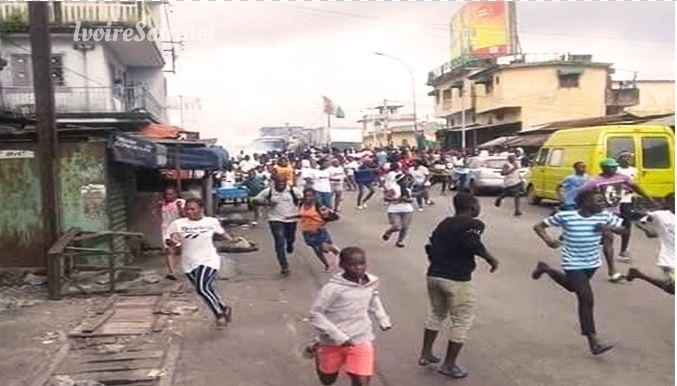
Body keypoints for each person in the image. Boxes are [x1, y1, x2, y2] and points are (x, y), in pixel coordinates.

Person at [532, 190, 624, 355]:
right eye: (599, 201)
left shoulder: (604, 216)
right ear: (585, 203)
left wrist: (607, 228)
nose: (603, 204)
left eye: (603, 201)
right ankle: (593, 341)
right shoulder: (567, 216)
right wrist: (547, 239)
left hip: (592, 263)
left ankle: (545, 269)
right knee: (586, 299)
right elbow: (538, 226)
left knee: (572, 287)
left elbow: (624, 230)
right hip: (572, 262)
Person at [418, 192, 498, 379]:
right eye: (478, 204)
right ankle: (449, 365)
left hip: (435, 275)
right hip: (457, 279)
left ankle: (425, 354)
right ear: (472, 207)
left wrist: (438, 262)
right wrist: (490, 258)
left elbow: (429, 245)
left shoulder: (444, 223)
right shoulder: (474, 224)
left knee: (437, 313)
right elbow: (472, 243)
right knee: (462, 320)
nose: (479, 207)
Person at [309, 247, 391, 386]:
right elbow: (315, 314)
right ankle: (318, 349)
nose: (358, 268)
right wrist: (339, 337)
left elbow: (373, 298)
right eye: (353, 265)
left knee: (361, 382)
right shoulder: (332, 289)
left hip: (361, 337)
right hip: (333, 341)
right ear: (342, 265)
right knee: (327, 380)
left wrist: (382, 318)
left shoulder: (370, 282)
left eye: (362, 263)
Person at [166, 198, 243, 328]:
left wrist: (232, 240)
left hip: (209, 260)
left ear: (201, 209)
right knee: (207, 289)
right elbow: (175, 239)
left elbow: (222, 233)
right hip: (188, 263)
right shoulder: (178, 224)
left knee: (201, 288)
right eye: (187, 209)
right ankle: (224, 306)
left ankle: (219, 315)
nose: (189, 212)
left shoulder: (211, 222)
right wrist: (172, 243)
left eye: (193, 209)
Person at [580, 158, 655, 282]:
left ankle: (613, 255)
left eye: (615, 167)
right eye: (612, 167)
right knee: (609, 238)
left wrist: (649, 198)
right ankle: (612, 271)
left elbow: (635, 186)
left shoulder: (621, 177)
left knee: (619, 232)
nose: (615, 169)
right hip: (601, 213)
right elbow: (581, 193)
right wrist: (587, 206)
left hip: (615, 211)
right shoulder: (595, 181)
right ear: (604, 168)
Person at [253, 175, 301, 276]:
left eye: (283, 183)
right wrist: (267, 202)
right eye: (278, 183)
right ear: (274, 183)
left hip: (291, 219)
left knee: (290, 238)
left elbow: (304, 200)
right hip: (275, 219)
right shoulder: (269, 191)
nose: (281, 185)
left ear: (286, 183)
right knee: (279, 240)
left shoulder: (293, 191)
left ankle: (290, 244)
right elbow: (255, 200)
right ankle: (284, 266)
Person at [626, 193, 675, 294]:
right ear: (669, 203)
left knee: (671, 289)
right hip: (669, 259)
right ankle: (639, 274)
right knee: (673, 289)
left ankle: (638, 274)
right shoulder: (660, 215)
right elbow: (639, 222)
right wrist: (648, 230)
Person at [287, 188, 340, 272]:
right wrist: (291, 217)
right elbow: (303, 215)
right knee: (316, 250)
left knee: (324, 248)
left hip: (319, 231)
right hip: (307, 232)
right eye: (306, 195)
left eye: (310, 195)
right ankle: (327, 265)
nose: (308, 198)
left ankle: (341, 254)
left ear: (314, 196)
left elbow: (329, 217)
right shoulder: (302, 204)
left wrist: (321, 225)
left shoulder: (318, 205)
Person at [156, 186, 185, 280]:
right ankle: (171, 272)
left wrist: (180, 207)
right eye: (166, 194)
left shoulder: (181, 202)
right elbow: (156, 214)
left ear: (175, 194)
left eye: (171, 194)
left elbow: (184, 215)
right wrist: (159, 207)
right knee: (169, 251)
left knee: (187, 249)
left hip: (179, 229)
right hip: (167, 229)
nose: (168, 196)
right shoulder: (162, 203)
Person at [381, 173, 414, 248]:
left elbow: (410, 200)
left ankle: (399, 241)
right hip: (394, 210)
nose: (407, 181)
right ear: (401, 180)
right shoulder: (394, 188)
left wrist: (408, 199)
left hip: (407, 210)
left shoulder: (407, 189)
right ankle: (388, 232)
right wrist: (396, 199)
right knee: (397, 226)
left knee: (405, 227)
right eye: (405, 179)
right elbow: (385, 198)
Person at [616, 151, 638, 261]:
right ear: (619, 158)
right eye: (624, 157)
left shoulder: (634, 170)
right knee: (608, 225)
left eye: (629, 157)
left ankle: (623, 250)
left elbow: (635, 184)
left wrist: (633, 193)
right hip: (613, 201)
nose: (627, 159)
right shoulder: (615, 170)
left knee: (627, 225)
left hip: (627, 201)